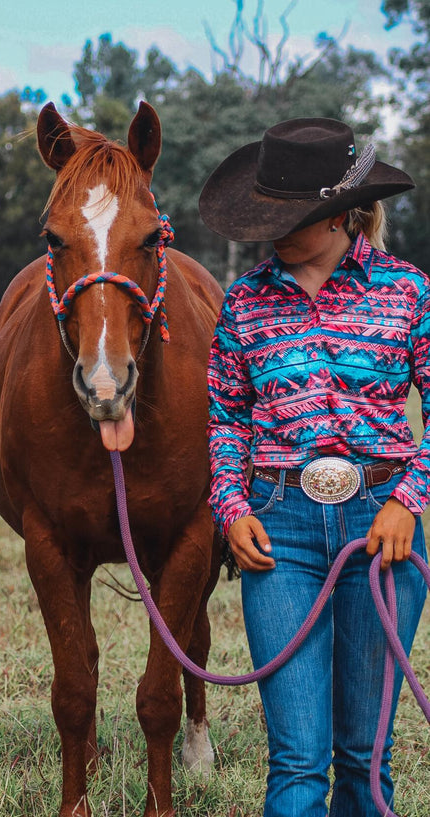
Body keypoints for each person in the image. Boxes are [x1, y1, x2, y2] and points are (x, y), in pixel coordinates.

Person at [199, 118, 429, 817]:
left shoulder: (408, 292)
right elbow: (226, 419)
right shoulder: (243, 303)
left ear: (336, 215)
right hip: (280, 534)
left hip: (381, 527)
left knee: (363, 756)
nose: (267, 231)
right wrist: (230, 507)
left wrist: (408, 499)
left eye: (284, 217)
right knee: (296, 759)